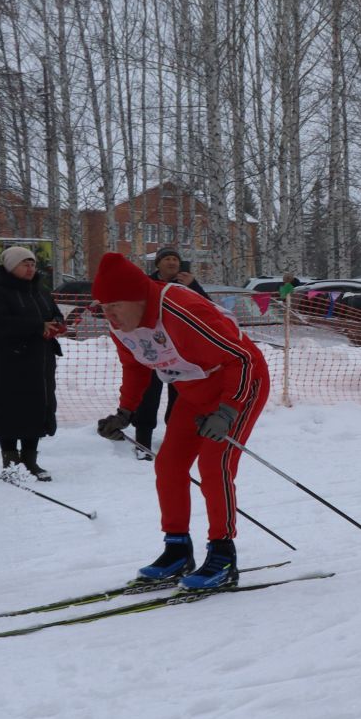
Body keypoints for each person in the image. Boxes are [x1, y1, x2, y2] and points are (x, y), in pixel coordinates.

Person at [93, 252, 269, 588]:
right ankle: (177, 549)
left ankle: (222, 553)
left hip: (239, 385)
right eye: (103, 306)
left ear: (137, 297)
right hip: (192, 390)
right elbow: (135, 366)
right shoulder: (122, 326)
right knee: (168, 465)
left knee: (214, 465)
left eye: (114, 303)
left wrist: (228, 411)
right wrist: (125, 412)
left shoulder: (181, 310)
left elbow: (242, 359)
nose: (109, 314)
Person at [0, 246, 64, 481]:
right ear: (11, 266)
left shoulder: (41, 291)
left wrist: (58, 323)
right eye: (24, 264)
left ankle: (30, 462)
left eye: (32, 264)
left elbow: (54, 313)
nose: (30, 268)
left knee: (37, 409)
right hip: (11, 362)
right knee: (9, 410)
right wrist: (38, 327)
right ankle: (11, 463)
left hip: (40, 362)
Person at [129, 248, 211, 453]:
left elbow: (207, 307)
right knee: (149, 394)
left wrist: (193, 285)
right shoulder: (145, 284)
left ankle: (174, 440)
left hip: (179, 349)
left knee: (180, 396)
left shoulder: (186, 284)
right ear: (158, 264)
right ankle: (142, 443)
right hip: (152, 346)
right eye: (167, 259)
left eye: (175, 259)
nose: (172, 262)